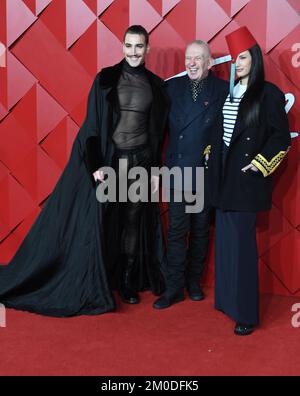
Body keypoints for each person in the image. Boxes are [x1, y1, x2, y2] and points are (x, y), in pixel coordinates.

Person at [0, 25, 169, 316]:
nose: (133, 52)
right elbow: (91, 126)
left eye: (139, 46)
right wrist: (96, 166)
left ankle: (126, 281)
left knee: (131, 219)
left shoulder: (157, 86)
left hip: (140, 161)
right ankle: (96, 278)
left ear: (148, 49)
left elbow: (158, 133)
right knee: (102, 221)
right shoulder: (105, 79)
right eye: (128, 45)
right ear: (122, 47)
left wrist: (154, 170)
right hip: (111, 162)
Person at [205, 26, 291, 335]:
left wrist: (259, 165)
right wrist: (209, 156)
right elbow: (220, 135)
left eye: (243, 57)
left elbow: (281, 140)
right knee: (226, 246)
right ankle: (227, 302)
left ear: (254, 58)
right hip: (222, 181)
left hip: (245, 181)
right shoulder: (230, 94)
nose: (237, 63)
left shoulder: (268, 94)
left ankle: (246, 314)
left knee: (241, 248)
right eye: (234, 59)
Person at [153, 41, 228, 309]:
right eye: (188, 58)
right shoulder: (171, 88)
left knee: (199, 231)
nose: (192, 63)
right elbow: (157, 130)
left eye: (198, 58)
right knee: (177, 231)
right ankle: (173, 288)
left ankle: (193, 282)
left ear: (209, 63)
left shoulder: (222, 90)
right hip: (177, 170)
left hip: (205, 173)